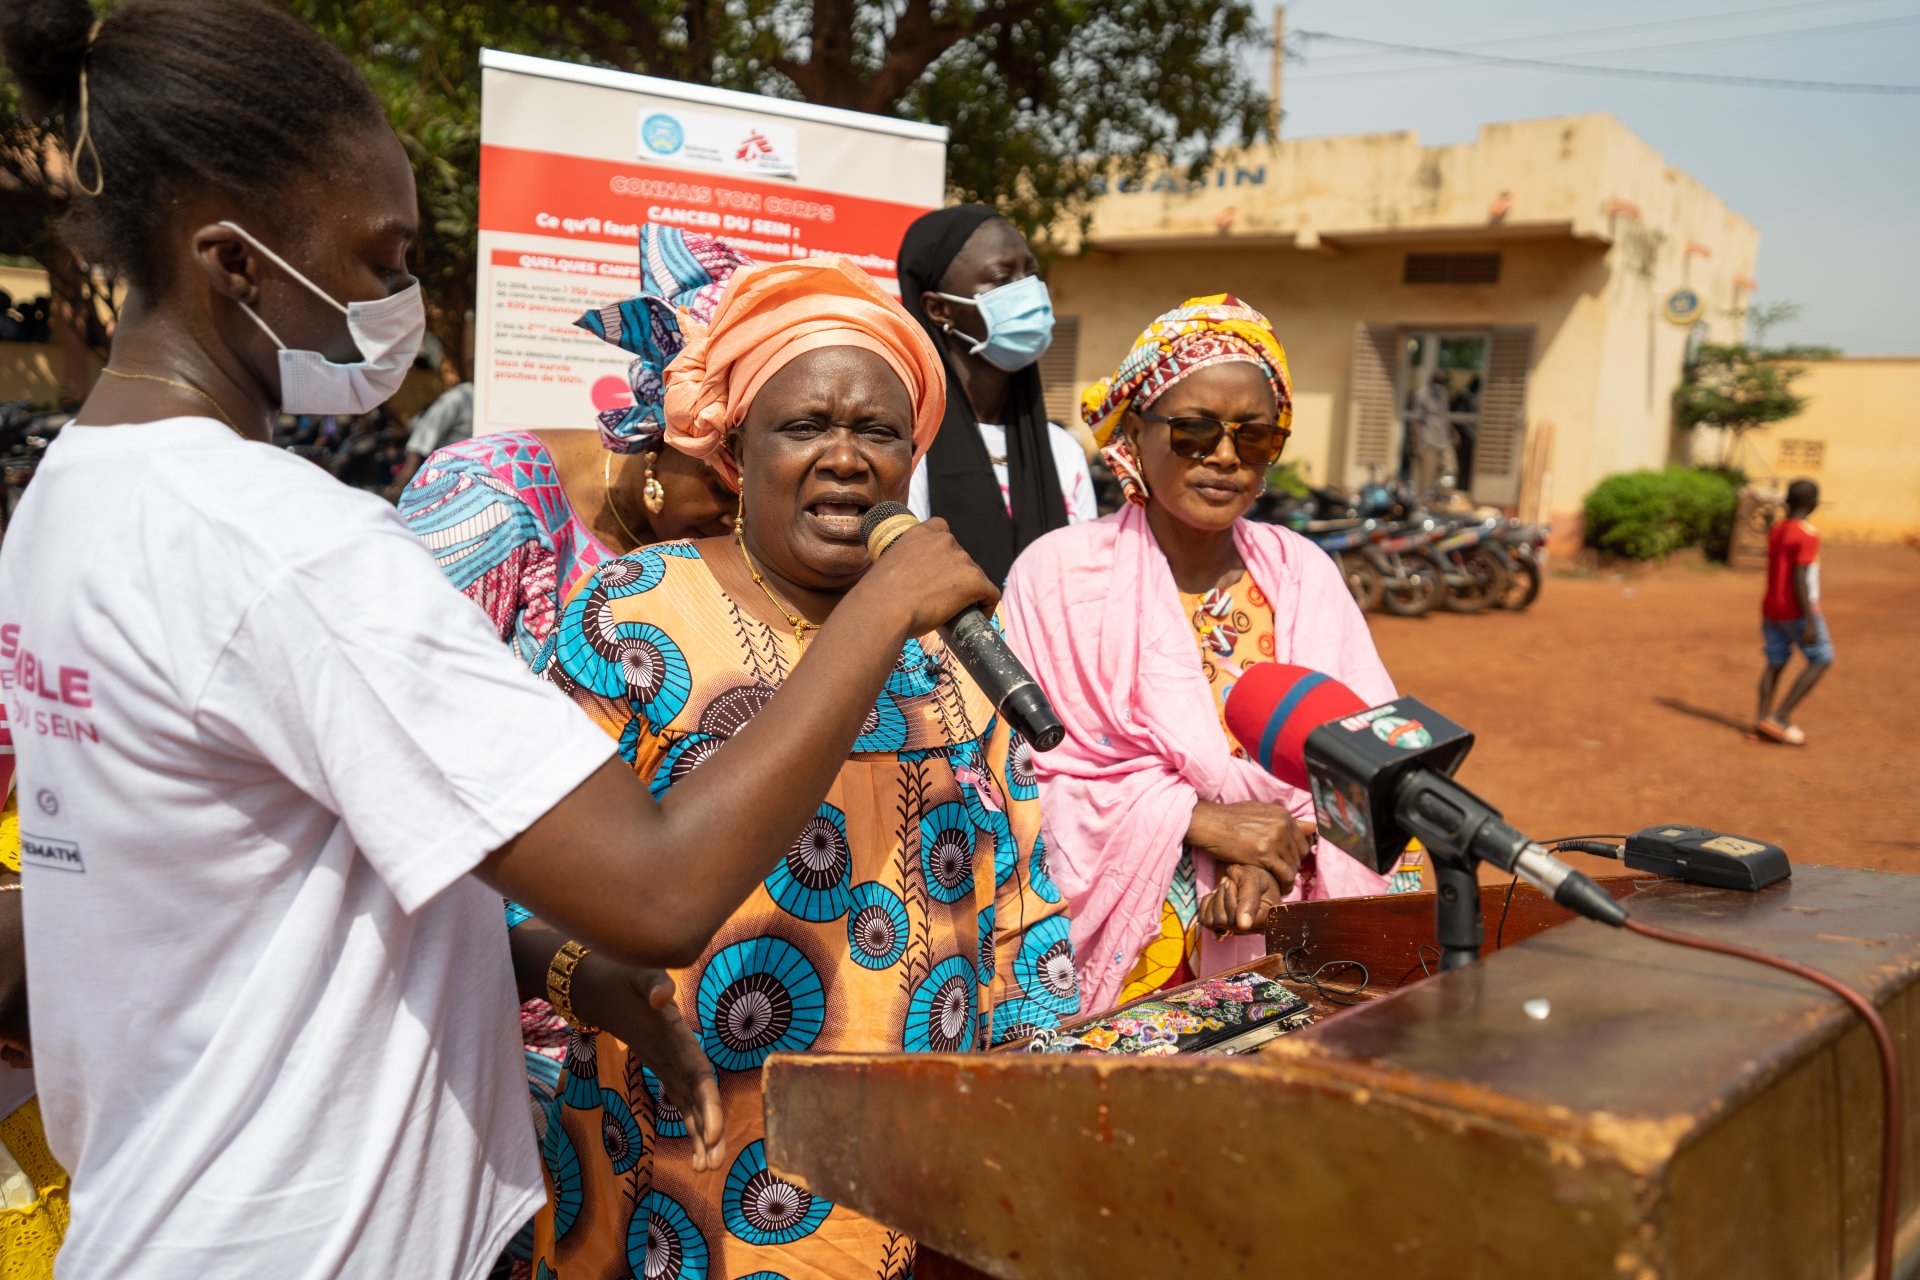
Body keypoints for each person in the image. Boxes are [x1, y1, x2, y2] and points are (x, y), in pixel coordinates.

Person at [0, 5, 997, 1279]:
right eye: (380, 255)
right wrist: (879, 608)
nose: (399, 299)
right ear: (234, 259)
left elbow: (266, 878)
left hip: (177, 1199)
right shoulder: (291, 548)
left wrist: (549, 967)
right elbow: (659, 888)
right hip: (312, 1236)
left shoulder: (76, 495)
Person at [530, 254, 1076, 1280]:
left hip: (916, 1164)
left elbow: (1022, 895)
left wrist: (1032, 1101)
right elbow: (519, 881)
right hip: (684, 1166)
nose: (845, 456)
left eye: (877, 430)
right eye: (805, 426)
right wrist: (591, 980)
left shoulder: (950, 631)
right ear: (734, 451)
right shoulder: (636, 613)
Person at [1003, 295, 1414, 1012]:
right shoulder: (1058, 575)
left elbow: (1372, 758)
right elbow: (1009, 777)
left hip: (1294, 915)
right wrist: (1195, 822)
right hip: (1128, 949)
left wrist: (1277, 856)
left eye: (1254, 438)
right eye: (1194, 431)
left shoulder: (1303, 572)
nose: (1224, 457)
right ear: (1135, 431)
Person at [400, 224, 740, 665]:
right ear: (668, 431)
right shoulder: (484, 492)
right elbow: (411, 683)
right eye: (724, 489)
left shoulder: (722, 552)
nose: (736, 522)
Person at [898, 204, 1096, 583]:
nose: (1028, 291)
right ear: (938, 309)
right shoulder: (909, 449)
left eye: (1032, 273)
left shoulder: (1062, 451)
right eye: (1002, 278)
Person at [1756, 478, 1833, 745]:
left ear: (1788, 501)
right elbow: (1800, 577)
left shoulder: (1777, 530)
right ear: (1814, 504)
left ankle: (1763, 720)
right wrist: (1809, 620)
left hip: (1771, 608)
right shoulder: (1807, 534)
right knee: (1822, 657)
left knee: (1775, 661)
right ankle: (1780, 717)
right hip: (1796, 609)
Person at [390, 377, 473, 493]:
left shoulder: (463, 397)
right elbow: (425, 436)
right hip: (452, 475)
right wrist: (405, 477)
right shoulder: (458, 397)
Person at [1410, 369, 1455, 497]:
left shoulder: (1443, 394)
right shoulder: (1422, 394)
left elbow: (1444, 417)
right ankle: (1424, 507)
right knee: (1426, 481)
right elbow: (1416, 422)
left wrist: (1453, 432)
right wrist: (1417, 445)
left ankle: (1443, 503)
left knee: (1449, 474)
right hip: (1428, 442)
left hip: (1443, 442)